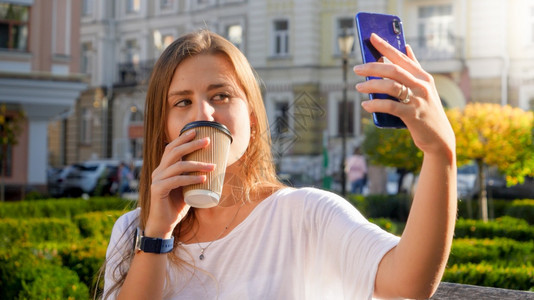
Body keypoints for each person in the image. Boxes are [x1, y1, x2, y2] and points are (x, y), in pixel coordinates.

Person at [103, 30, 457, 299]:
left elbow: (407, 284)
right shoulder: (133, 230)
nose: (204, 114)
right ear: (164, 127)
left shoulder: (304, 213)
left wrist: (440, 153)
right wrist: (157, 234)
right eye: (182, 102)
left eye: (221, 96)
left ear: (254, 117)